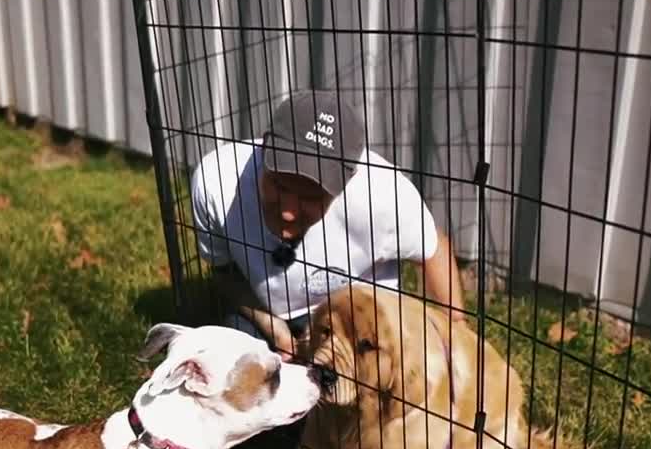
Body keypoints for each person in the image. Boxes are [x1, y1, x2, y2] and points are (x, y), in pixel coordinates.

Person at [189, 89, 466, 358]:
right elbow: (224, 272)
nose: (287, 212)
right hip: (270, 313)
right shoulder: (216, 182)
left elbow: (435, 249)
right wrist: (276, 331)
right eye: (278, 185)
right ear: (264, 147)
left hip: (359, 321)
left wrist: (456, 341)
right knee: (233, 366)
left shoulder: (383, 195)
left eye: (310, 196)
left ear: (348, 179)